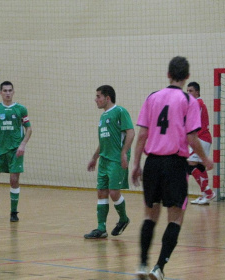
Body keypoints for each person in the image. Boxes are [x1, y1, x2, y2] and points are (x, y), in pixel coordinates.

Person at [131, 56, 213, 280]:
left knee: (150, 215)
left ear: (168, 74)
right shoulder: (190, 101)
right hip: (175, 163)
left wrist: (136, 164)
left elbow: (142, 135)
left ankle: (141, 264)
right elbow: (192, 137)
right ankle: (158, 268)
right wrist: (205, 159)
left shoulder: (153, 97)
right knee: (175, 218)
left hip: (153, 163)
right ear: (186, 77)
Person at [84, 85, 135, 239]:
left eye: (98, 96)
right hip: (104, 160)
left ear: (107, 98)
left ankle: (124, 218)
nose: (96, 99)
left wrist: (124, 153)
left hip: (116, 159)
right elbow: (103, 141)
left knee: (113, 192)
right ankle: (101, 228)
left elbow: (131, 133)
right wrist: (94, 157)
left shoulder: (120, 111)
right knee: (101, 193)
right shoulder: (102, 117)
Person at [0, 81, 32, 222]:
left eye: (10, 90)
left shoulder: (21, 109)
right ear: (0, 93)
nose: (7, 93)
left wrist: (22, 145)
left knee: (14, 180)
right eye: (5, 90)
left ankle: (14, 212)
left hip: (15, 151)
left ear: (13, 92)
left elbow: (29, 129)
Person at [187, 82, 215, 205]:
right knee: (199, 165)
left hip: (201, 137)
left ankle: (208, 192)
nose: (188, 93)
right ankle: (205, 194)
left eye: (191, 91)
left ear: (197, 92)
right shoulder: (197, 104)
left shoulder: (197, 104)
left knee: (190, 163)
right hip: (202, 138)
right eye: (187, 91)